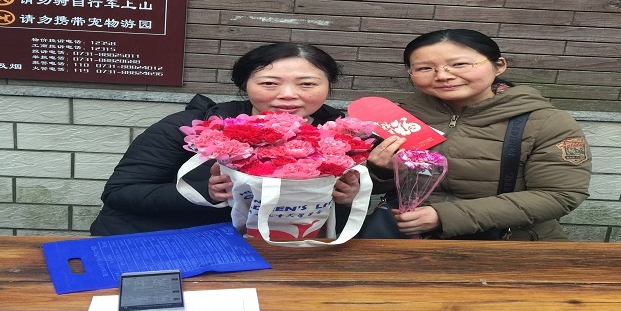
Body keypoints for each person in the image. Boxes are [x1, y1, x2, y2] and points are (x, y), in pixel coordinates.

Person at [90, 43, 361, 236]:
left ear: (328, 86)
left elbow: (331, 213)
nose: (288, 94)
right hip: (168, 240)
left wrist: (346, 197)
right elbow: (119, 193)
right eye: (269, 83)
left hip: (282, 249)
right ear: (245, 86)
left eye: (307, 84)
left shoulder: (345, 138)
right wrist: (206, 193)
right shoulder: (189, 127)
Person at [366, 29, 591, 241]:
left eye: (459, 64)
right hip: (404, 238)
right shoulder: (397, 118)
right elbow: (363, 188)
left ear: (499, 65)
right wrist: (380, 172)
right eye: (425, 68)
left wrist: (444, 217)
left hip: (506, 242)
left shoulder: (545, 121)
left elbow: (559, 195)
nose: (442, 75)